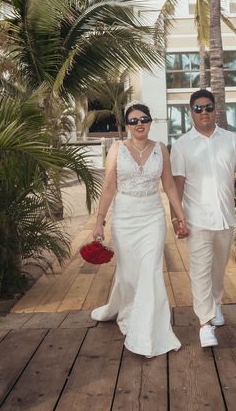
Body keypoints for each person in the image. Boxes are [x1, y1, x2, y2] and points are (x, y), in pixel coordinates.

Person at [91, 103, 188, 358]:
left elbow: (168, 186)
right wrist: (99, 221)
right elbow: (109, 187)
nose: (139, 123)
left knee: (151, 272)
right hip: (124, 218)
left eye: (143, 118)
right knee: (130, 273)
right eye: (133, 121)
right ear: (127, 125)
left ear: (150, 121)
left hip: (152, 218)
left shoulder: (161, 149)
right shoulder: (116, 149)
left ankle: (148, 333)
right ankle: (128, 312)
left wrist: (180, 217)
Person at [170, 89, 236, 348]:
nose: (204, 112)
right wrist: (178, 219)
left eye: (208, 107)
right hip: (197, 220)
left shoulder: (230, 139)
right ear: (191, 112)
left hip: (225, 218)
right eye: (198, 108)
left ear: (215, 109)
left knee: (218, 270)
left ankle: (215, 304)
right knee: (199, 271)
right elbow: (177, 185)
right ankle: (205, 324)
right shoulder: (181, 145)